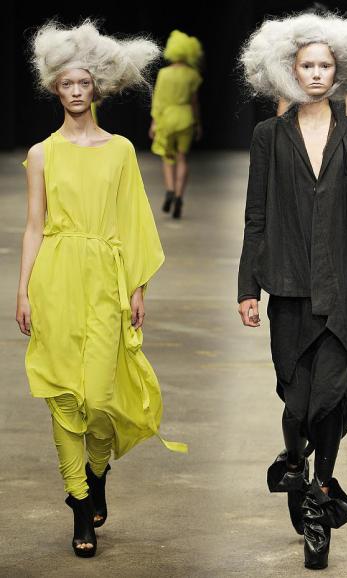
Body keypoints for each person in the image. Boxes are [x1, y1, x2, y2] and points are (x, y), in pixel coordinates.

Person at [17, 20, 186, 558]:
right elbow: (34, 226)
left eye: (83, 83)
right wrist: (23, 290)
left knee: (101, 397)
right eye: (66, 84)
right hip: (56, 277)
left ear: (97, 89)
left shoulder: (120, 151)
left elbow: (134, 219)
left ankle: (96, 471)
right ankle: (78, 502)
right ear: (55, 89)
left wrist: (138, 286)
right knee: (63, 395)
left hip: (106, 277)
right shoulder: (42, 154)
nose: (75, 91)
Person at [238, 12, 347, 570]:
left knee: (331, 398)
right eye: (306, 65)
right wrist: (247, 286)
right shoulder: (268, 136)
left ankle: (318, 499)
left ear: (339, 73)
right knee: (297, 401)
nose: (314, 74)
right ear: (290, 71)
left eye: (324, 65)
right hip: (287, 286)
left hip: (343, 285)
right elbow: (256, 215)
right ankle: (294, 461)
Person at [150, 30, 203, 218]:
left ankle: (170, 190)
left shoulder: (163, 74)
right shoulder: (192, 74)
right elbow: (194, 102)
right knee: (182, 158)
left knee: (168, 158)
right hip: (185, 117)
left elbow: (158, 100)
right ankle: (179, 196)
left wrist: (154, 122)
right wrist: (197, 123)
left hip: (167, 118)